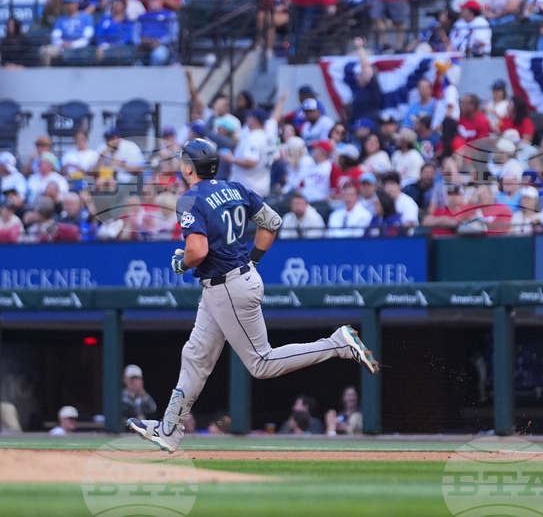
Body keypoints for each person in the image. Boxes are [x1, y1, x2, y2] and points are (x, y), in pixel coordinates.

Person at [127, 140, 379, 453]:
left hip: (227, 286)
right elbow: (272, 222)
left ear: (189, 167)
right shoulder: (235, 188)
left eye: (183, 160)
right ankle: (169, 428)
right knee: (194, 357)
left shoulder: (191, 198)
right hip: (227, 282)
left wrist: (181, 262)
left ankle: (337, 344)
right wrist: (253, 260)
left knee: (261, 363)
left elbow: (198, 251)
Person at [40, 0, 94, 66]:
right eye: (66, 3)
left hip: (80, 48)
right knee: (45, 50)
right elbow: (55, 36)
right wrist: (62, 44)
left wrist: (73, 44)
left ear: (77, 3)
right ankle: (48, 75)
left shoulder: (86, 17)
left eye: (70, 2)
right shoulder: (60, 19)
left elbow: (88, 36)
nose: (68, 5)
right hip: (62, 47)